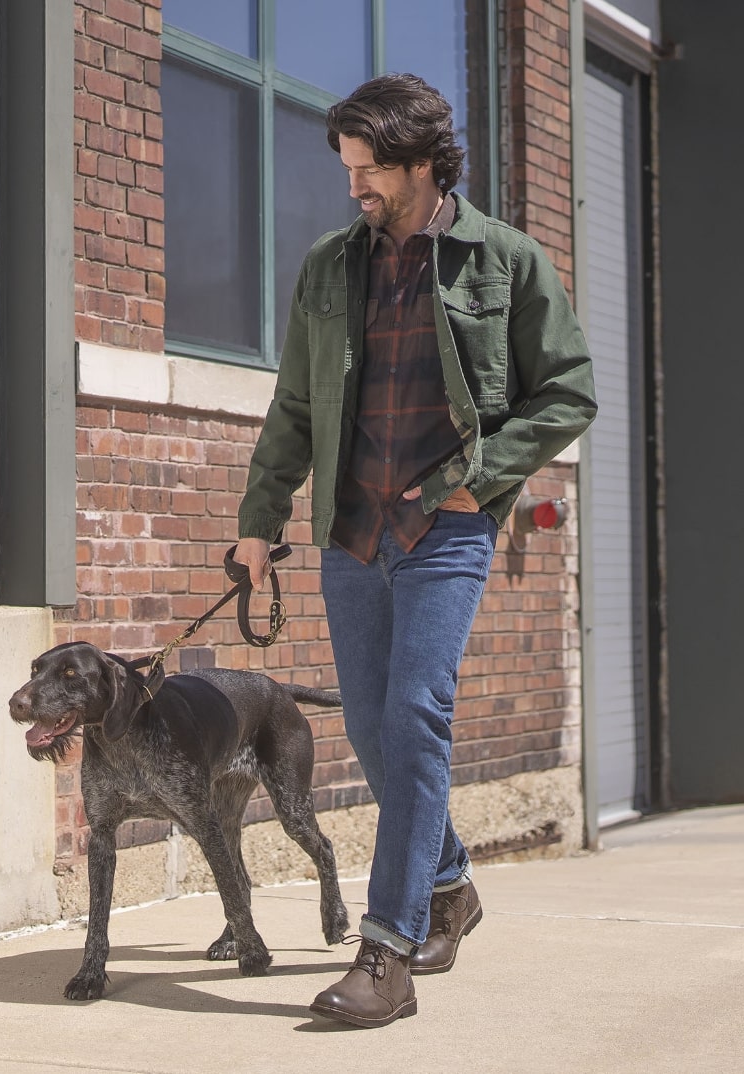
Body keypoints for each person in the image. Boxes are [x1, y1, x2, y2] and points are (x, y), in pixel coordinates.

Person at [233, 73, 596, 1028]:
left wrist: (482, 481)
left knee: (416, 718)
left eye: (369, 169)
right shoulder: (328, 266)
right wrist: (260, 520)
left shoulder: (506, 261)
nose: (354, 185)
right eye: (347, 167)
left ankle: (384, 952)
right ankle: (451, 885)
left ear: (423, 162)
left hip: (446, 528)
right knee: (365, 724)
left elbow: (567, 392)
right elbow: (297, 407)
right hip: (351, 533)